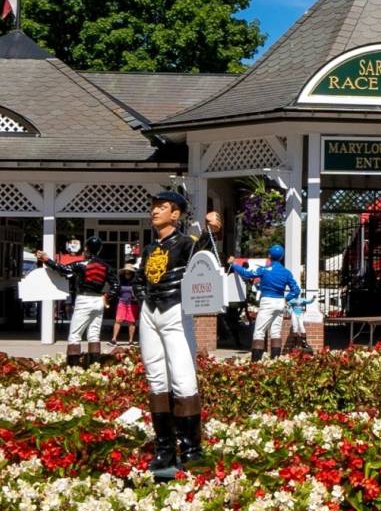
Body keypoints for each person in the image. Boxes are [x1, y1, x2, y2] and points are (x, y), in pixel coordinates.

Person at [136, 191, 223, 479]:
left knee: (183, 376)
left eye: (162, 207)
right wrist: (141, 296)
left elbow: (205, 260)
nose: (155, 212)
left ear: (176, 214)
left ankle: (191, 449)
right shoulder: (149, 248)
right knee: (156, 378)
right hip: (150, 311)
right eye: (154, 207)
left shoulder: (187, 243)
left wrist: (212, 231)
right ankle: (164, 448)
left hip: (175, 309)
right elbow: (141, 277)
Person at [35, 236, 114, 366]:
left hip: (84, 299)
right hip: (98, 299)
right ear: (99, 250)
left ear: (87, 248)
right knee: (94, 335)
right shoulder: (105, 267)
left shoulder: (80, 264)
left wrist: (47, 260)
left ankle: (73, 368)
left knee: (75, 335)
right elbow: (116, 284)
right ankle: (94, 366)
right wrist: (108, 296)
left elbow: (63, 269)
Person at [232, 244, 302, 362]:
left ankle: (255, 363)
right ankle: (275, 361)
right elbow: (296, 290)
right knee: (275, 332)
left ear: (269, 255)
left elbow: (246, 273)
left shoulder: (264, 270)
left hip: (267, 301)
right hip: (280, 302)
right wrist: (287, 298)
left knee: (259, 332)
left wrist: (234, 264)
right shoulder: (286, 272)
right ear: (281, 257)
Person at [111, 264, 139, 348]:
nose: (127, 275)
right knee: (118, 320)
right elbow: (117, 290)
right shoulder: (121, 281)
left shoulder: (135, 282)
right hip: (122, 301)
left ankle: (131, 340)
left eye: (129, 273)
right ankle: (114, 339)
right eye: (126, 273)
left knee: (131, 321)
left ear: (132, 274)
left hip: (132, 303)